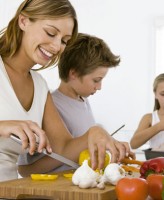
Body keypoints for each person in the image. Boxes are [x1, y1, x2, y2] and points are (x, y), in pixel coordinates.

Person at [0, 0, 131, 182]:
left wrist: (94, 133)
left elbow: (62, 148)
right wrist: (2, 126)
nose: (56, 47)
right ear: (23, 21)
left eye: (64, 41)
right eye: (50, 33)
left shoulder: (39, 87)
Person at [20, 32, 127, 173]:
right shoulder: (50, 105)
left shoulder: (83, 101)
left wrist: (107, 145)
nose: (99, 87)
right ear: (74, 73)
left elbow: (83, 149)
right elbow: (25, 169)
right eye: (96, 80)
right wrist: (91, 136)